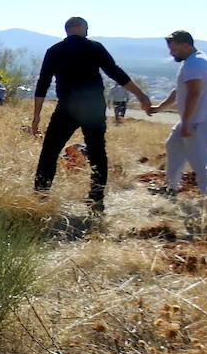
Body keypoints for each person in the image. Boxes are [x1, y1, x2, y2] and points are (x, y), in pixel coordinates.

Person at [31, 16, 153, 211]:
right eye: (86, 28)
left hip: (67, 107)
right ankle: (96, 200)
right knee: (97, 152)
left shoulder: (54, 51)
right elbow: (115, 72)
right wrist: (140, 95)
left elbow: (42, 83)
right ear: (79, 27)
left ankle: (40, 196)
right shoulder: (95, 47)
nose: (87, 31)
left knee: (50, 151)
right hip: (93, 107)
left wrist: (36, 116)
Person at [152, 30, 207, 205]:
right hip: (194, 119)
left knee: (200, 157)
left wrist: (187, 123)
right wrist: (160, 108)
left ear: (186, 45)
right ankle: (171, 187)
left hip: (199, 119)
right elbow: (180, 91)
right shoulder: (193, 61)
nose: (171, 53)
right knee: (174, 145)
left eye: (174, 49)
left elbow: (194, 94)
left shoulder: (195, 64)